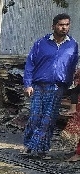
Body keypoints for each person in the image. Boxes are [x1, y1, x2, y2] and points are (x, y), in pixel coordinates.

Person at [22, 13, 78, 158]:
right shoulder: (41, 43)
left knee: (48, 120)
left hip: (58, 88)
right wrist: (28, 84)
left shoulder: (73, 45)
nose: (64, 27)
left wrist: (69, 87)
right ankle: (28, 147)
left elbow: (72, 67)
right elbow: (30, 64)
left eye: (66, 25)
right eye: (61, 24)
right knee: (35, 117)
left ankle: (42, 150)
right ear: (53, 26)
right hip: (38, 86)